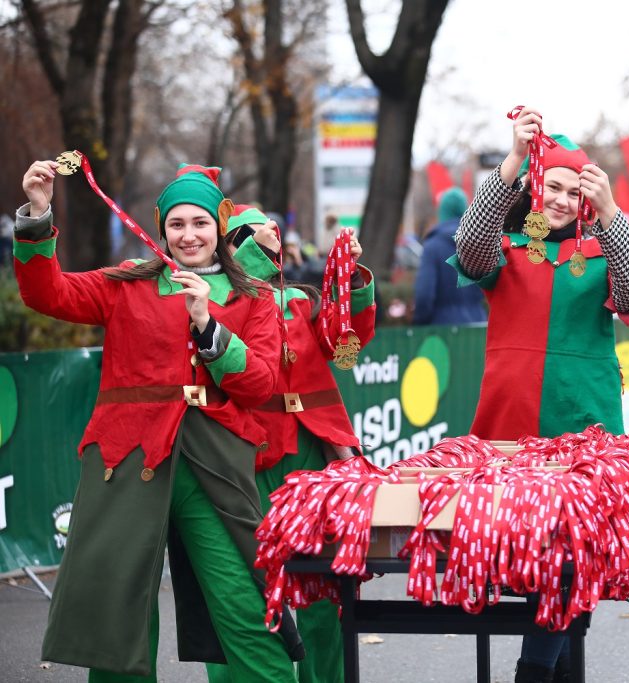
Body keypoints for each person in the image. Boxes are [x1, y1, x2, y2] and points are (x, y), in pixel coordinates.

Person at [14, 162, 303, 680]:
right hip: (127, 459)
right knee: (118, 613)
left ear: (219, 227)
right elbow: (46, 294)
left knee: (245, 599)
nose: (188, 235)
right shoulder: (127, 283)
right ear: (161, 229)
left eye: (200, 223)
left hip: (214, 464)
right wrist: (38, 214)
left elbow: (260, 385)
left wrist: (207, 323)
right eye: (176, 224)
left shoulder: (253, 297)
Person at [451, 106, 629, 683]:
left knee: (572, 555)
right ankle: (548, 668)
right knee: (532, 558)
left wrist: (612, 213)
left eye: (576, 191)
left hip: (584, 425)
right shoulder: (505, 250)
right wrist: (512, 161)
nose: (564, 200)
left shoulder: (602, 253)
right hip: (510, 422)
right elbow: (469, 246)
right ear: (534, 188)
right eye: (554, 187)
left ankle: (534, 669)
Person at [205, 204, 376, 683]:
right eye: (253, 232)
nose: (270, 235)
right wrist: (252, 256)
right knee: (246, 588)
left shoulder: (301, 300)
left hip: (311, 450)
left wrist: (350, 278)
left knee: (324, 589)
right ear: (230, 245)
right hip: (244, 454)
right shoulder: (214, 297)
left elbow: (346, 344)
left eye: (272, 229)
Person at [413, 187, 487, 325]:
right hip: (479, 323)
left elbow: (424, 294)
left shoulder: (432, 246)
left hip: (443, 327)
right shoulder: (479, 244)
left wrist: (420, 321)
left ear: (442, 212)